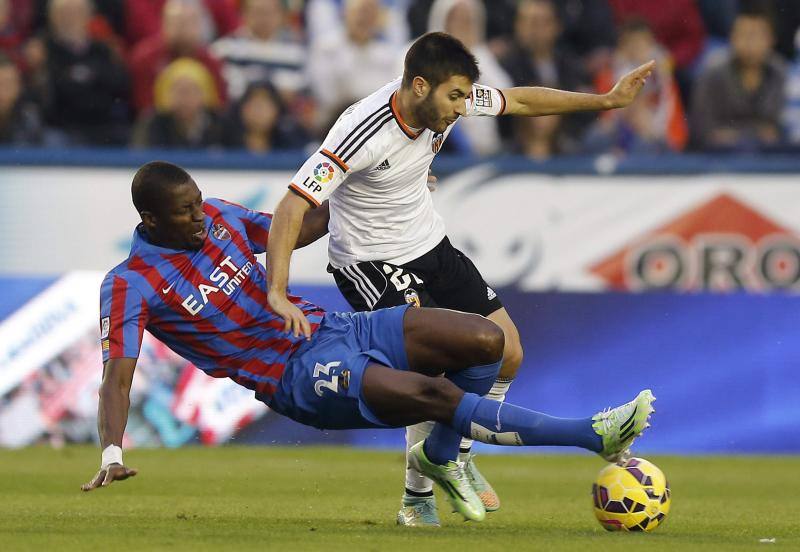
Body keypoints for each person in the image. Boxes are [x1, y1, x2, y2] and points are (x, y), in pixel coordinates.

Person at [81, 161, 656, 527]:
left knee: (486, 341)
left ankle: (437, 455)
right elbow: (118, 375)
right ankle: (592, 435)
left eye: (200, 202)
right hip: (294, 376)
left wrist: (382, 184)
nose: (200, 218)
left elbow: (300, 227)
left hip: (335, 329)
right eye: (185, 212)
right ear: (150, 221)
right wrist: (113, 450)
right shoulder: (129, 285)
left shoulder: (219, 218)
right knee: (430, 395)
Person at [262, 31, 654, 527]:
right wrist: (277, 289)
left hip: (431, 246)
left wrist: (605, 100)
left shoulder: (452, 99)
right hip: (370, 263)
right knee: (434, 367)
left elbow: (520, 101)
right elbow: (293, 204)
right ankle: (416, 497)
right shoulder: (360, 129)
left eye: (467, 96)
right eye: (454, 97)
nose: (462, 108)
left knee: (508, 350)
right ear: (420, 86)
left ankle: (453, 453)